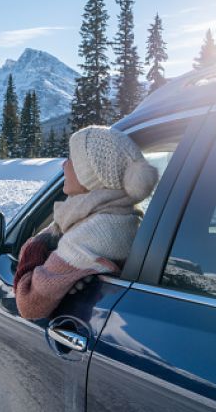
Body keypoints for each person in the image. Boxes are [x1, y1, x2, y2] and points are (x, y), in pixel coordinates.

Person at [13, 125, 159, 319]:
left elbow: (29, 304)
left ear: (90, 174)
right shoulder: (124, 215)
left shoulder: (92, 234)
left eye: (72, 160)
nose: (64, 165)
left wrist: (35, 246)